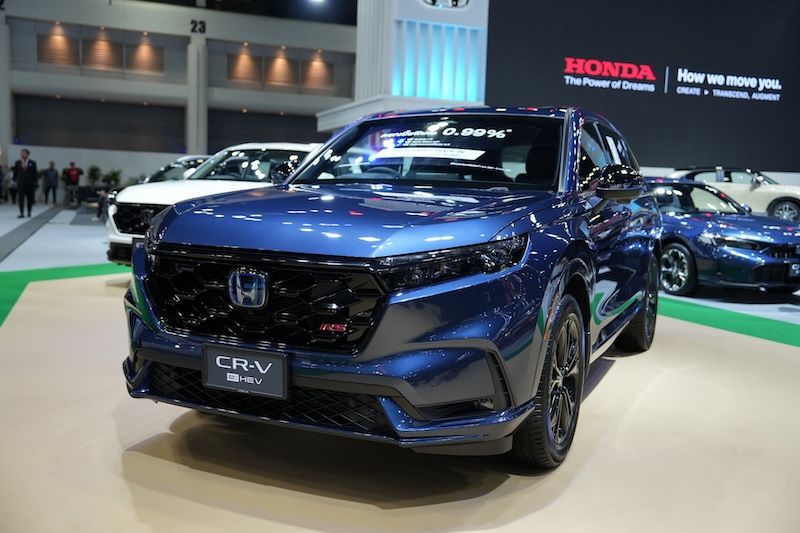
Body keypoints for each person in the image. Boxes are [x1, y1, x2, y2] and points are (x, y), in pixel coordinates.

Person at [13, 148, 38, 218]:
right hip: (21, 182)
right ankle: (21, 213)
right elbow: (15, 172)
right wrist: (13, 181)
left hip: (29, 183)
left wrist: (35, 182)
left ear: (27, 154)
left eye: (24, 153)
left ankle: (29, 211)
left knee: (30, 198)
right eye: (21, 153)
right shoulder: (18, 162)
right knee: (20, 198)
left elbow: (35, 173)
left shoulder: (32, 163)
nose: (22, 154)